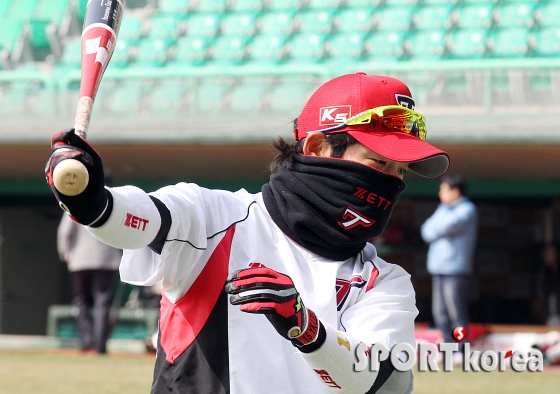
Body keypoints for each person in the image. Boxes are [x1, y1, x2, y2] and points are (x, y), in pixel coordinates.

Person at [46, 73, 450, 393]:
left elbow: (377, 379)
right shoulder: (213, 215)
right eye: (379, 163)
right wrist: (89, 198)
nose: (391, 184)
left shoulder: (386, 282)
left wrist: (304, 327)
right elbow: (130, 218)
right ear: (318, 147)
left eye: (400, 173)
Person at [56, 173, 122, 354]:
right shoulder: (118, 202)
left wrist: (66, 254)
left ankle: (87, 343)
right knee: (103, 302)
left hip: (80, 260)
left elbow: (64, 231)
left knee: (81, 301)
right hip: (107, 260)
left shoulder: (78, 198)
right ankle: (100, 346)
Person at [420, 174, 477, 360]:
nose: (440, 193)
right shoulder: (443, 208)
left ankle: (461, 350)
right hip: (438, 267)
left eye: (443, 189)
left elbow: (444, 226)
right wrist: (438, 226)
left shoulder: (467, 209)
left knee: (456, 312)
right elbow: (426, 231)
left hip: (456, 268)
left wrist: (437, 227)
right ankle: (447, 349)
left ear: (455, 191)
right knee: (440, 312)